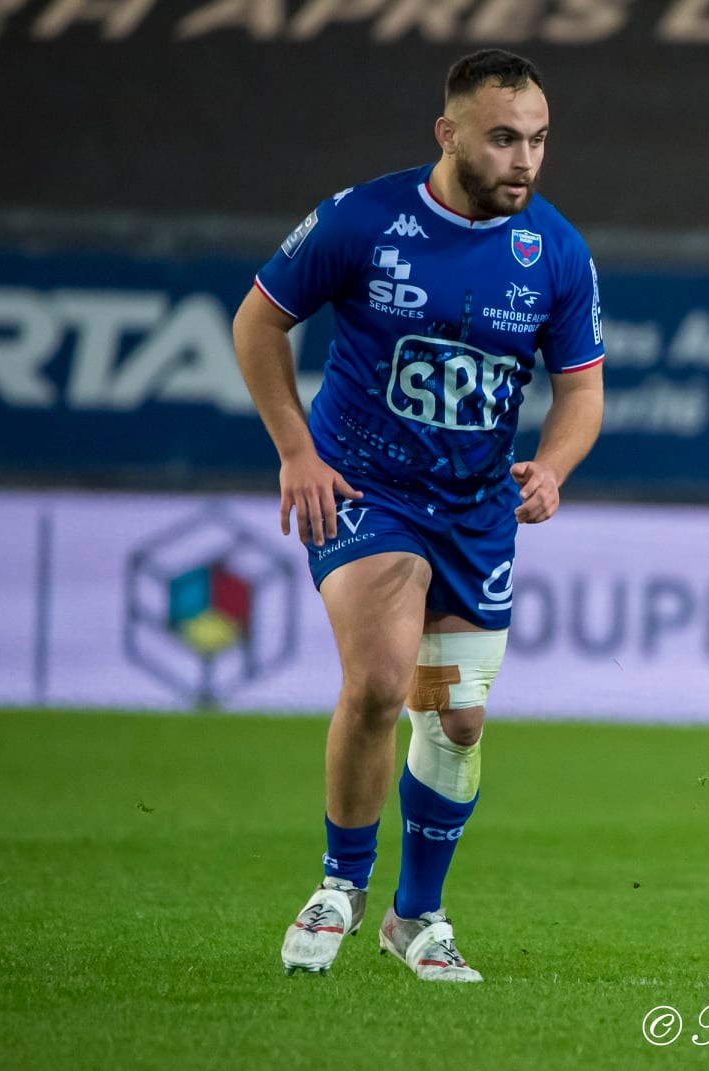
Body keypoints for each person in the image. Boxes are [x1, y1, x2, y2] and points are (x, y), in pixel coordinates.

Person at [232, 49, 605, 982]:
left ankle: (416, 916)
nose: (525, 159)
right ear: (448, 135)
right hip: (364, 490)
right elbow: (257, 322)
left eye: (539, 140)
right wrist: (295, 451)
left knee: (459, 723)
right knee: (376, 679)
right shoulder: (364, 218)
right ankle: (338, 886)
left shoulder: (554, 248)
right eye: (504, 139)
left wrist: (552, 469)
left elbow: (582, 392)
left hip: (476, 510)